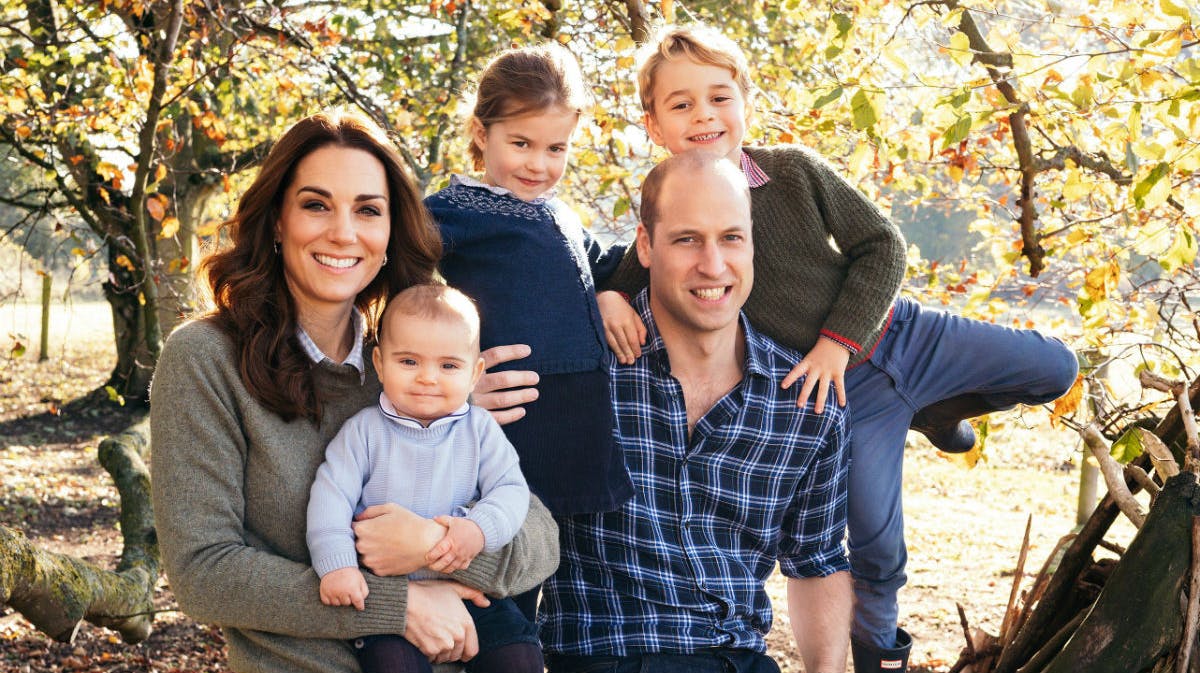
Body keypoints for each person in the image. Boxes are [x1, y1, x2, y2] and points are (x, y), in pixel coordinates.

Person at [596, 25, 1079, 673]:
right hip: (846, 396)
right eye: (681, 105)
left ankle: (940, 408)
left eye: (719, 97)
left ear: (744, 102)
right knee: (876, 545)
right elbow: (635, 274)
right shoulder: (677, 207)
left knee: (1056, 366)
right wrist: (605, 298)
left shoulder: (794, 172)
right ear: (654, 124)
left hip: (901, 335)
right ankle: (880, 660)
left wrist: (836, 340)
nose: (704, 115)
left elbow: (882, 245)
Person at [150, 109, 559, 673]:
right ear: (275, 220)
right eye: (316, 205)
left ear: (391, 232)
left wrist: (433, 546)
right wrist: (399, 605)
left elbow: (540, 539)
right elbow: (205, 573)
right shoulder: (206, 358)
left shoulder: (419, 363)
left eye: (368, 210)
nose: (343, 232)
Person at [541, 151, 854, 673]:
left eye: (731, 238)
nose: (713, 265)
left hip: (739, 660)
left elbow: (817, 561)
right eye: (687, 239)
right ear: (645, 244)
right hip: (608, 654)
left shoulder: (805, 402)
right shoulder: (579, 374)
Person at [423, 44, 634, 618]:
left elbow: (605, 263)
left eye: (556, 148)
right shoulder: (456, 211)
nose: (538, 164)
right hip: (518, 424)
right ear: (481, 131)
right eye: (521, 143)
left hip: (579, 426)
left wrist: (610, 292)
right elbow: (397, 275)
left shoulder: (560, 213)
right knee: (499, 576)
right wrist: (447, 368)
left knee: (557, 584)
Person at [307, 284, 543, 673]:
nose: (427, 378)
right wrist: (337, 565)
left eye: (448, 366)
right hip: (391, 594)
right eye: (409, 362)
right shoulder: (363, 432)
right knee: (393, 664)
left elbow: (510, 490)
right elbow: (329, 499)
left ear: (474, 373)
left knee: (518, 656)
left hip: (470, 590)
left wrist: (478, 530)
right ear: (380, 364)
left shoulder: (480, 430)